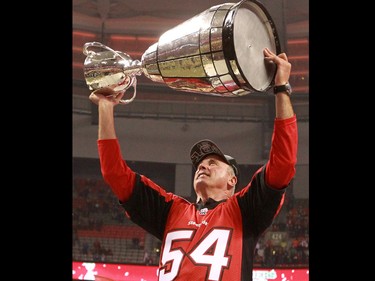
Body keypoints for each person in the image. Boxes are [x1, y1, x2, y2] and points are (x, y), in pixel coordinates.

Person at [88, 47, 298, 281]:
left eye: (213, 163)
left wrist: (281, 89)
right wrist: (105, 109)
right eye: (200, 164)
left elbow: (284, 164)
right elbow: (115, 174)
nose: (202, 166)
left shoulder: (244, 210)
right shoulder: (171, 210)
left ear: (232, 180)